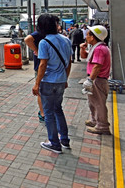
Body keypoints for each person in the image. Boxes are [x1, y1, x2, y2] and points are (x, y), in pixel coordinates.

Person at [32, 14, 72, 154]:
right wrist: (65, 78)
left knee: (49, 113)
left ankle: (54, 143)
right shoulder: (66, 40)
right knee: (58, 109)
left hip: (48, 82)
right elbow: (69, 62)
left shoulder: (44, 42)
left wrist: (37, 84)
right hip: (61, 81)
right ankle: (65, 140)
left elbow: (42, 65)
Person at [80, 25, 111, 135]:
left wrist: (90, 79)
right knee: (92, 102)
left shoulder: (99, 49)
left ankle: (102, 126)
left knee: (99, 103)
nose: (86, 36)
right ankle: (95, 120)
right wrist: (82, 48)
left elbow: (97, 66)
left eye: (88, 35)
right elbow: (84, 57)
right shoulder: (96, 47)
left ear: (93, 37)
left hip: (98, 79)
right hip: (95, 79)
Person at [24, 26, 46, 123]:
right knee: (41, 91)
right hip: (43, 66)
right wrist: (37, 50)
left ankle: (43, 114)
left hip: (43, 66)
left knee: (41, 92)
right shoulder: (42, 33)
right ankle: (43, 113)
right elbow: (27, 39)